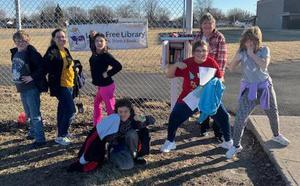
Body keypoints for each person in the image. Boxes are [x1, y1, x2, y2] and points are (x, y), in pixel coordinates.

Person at [226, 26, 290, 159]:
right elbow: (231, 68)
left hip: (265, 88)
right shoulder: (242, 52)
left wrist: (251, 54)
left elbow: (263, 65)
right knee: (240, 118)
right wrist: (234, 59)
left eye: (252, 40)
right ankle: (236, 145)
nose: (249, 43)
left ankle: (276, 135)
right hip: (249, 89)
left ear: (257, 40)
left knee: (273, 112)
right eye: (246, 40)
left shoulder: (264, 50)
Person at [160, 40, 232, 153]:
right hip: (191, 96)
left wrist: (215, 82)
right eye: (198, 51)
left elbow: (221, 78)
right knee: (174, 116)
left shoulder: (211, 63)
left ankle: (228, 141)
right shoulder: (187, 63)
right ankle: (170, 141)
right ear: (193, 52)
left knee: (223, 116)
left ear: (208, 52)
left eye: (204, 50)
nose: (201, 53)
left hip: (208, 96)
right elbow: (169, 75)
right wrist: (176, 65)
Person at [67, 98, 154, 172]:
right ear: (116, 111)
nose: (123, 114)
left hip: (129, 146)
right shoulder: (111, 121)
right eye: (120, 111)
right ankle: (113, 156)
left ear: (130, 111)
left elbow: (152, 120)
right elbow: (95, 136)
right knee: (127, 166)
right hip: (116, 148)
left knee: (132, 133)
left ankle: (135, 157)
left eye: (126, 111)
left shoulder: (134, 120)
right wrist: (83, 160)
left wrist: (144, 119)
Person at [193, 13, 228, 140]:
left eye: (210, 23)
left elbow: (222, 58)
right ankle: (203, 126)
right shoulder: (197, 36)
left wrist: (220, 75)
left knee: (214, 101)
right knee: (202, 99)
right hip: (199, 72)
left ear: (214, 25)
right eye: (205, 23)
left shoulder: (219, 37)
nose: (207, 25)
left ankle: (218, 131)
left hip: (213, 73)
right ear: (201, 25)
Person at [44, 28, 81, 145]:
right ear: (54, 39)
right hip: (60, 86)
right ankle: (62, 135)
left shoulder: (65, 50)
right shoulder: (52, 52)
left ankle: (60, 133)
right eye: (58, 37)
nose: (62, 39)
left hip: (70, 85)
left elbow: (70, 63)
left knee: (62, 110)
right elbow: (45, 65)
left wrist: (77, 66)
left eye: (63, 37)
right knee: (71, 110)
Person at [10, 30, 46, 148]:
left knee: (35, 114)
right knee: (28, 113)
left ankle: (40, 139)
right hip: (22, 88)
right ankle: (32, 132)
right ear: (15, 42)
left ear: (28, 41)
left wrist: (32, 77)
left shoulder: (32, 54)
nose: (21, 43)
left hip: (31, 88)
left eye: (24, 41)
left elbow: (42, 68)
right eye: (18, 41)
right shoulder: (16, 53)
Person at [89, 33, 122, 126]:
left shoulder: (106, 55)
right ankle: (97, 125)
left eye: (101, 41)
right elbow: (92, 45)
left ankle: (114, 127)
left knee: (110, 108)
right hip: (100, 86)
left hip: (106, 86)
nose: (99, 43)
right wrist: (91, 37)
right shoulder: (95, 53)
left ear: (105, 43)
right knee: (96, 104)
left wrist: (108, 73)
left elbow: (118, 66)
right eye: (97, 41)